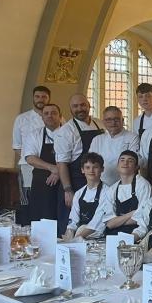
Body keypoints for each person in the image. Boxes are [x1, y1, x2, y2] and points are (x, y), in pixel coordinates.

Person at [54, 94, 104, 235]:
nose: (80, 109)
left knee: (95, 224)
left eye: (82, 105)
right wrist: (68, 190)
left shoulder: (100, 124)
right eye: (75, 106)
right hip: (75, 182)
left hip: (97, 182)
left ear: (88, 105)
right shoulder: (66, 131)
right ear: (70, 109)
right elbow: (62, 163)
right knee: (70, 225)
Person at [12, 85, 51, 224]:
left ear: (49, 98)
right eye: (37, 96)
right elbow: (17, 146)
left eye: (44, 97)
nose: (41, 99)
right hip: (28, 166)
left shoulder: (57, 117)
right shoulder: (22, 119)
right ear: (33, 98)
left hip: (51, 166)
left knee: (47, 199)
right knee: (28, 198)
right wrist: (30, 159)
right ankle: (28, 227)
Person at [23, 103, 61, 222]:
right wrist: (52, 168)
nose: (50, 116)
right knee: (41, 218)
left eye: (53, 113)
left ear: (60, 116)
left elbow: (76, 157)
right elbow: (30, 158)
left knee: (63, 217)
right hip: (41, 184)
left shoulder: (70, 134)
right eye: (46, 113)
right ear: (42, 117)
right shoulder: (34, 135)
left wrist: (59, 171)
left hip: (65, 182)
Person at [101, 150, 152, 235]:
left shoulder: (143, 185)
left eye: (130, 161)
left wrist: (117, 221)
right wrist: (132, 213)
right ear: (117, 166)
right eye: (122, 160)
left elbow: (143, 217)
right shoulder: (112, 189)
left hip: (137, 232)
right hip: (113, 233)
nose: (125, 163)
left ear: (136, 167)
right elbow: (109, 223)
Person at [89, 106, 139, 185]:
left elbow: (132, 162)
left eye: (116, 119)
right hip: (101, 184)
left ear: (122, 121)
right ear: (103, 122)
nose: (113, 123)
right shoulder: (97, 140)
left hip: (125, 184)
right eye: (109, 120)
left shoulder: (132, 137)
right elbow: (91, 163)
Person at [63, 152, 109, 239]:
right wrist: (68, 236)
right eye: (87, 167)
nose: (91, 170)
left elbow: (97, 222)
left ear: (102, 169)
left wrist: (77, 238)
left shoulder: (107, 192)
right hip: (80, 237)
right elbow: (73, 221)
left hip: (99, 238)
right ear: (82, 170)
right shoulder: (79, 194)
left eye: (95, 167)